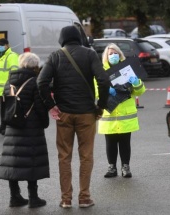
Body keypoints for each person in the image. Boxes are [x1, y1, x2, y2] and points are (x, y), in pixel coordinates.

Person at [37, 25, 109, 209]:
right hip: (86, 113)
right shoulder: (90, 54)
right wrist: (100, 106)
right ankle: (84, 197)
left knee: (64, 157)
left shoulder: (55, 56)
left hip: (64, 114)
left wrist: (51, 106)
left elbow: (41, 81)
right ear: (79, 38)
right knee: (86, 156)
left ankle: (65, 199)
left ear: (62, 39)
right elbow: (103, 80)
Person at [0, 52, 50, 208]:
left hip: (12, 127)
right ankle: (33, 198)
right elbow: (40, 106)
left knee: (12, 162)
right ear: (34, 66)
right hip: (31, 127)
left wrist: (4, 124)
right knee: (31, 162)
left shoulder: (9, 82)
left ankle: (15, 197)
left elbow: (3, 106)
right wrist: (44, 122)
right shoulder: (34, 82)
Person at [97, 43, 145, 178]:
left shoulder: (128, 69)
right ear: (106, 56)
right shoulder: (101, 72)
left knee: (125, 143)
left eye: (115, 53)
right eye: (110, 53)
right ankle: (111, 167)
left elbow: (140, 91)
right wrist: (105, 90)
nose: (113, 56)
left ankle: (125, 167)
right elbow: (95, 90)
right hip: (110, 113)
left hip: (125, 114)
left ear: (120, 54)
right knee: (110, 142)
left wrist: (136, 82)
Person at [0, 38, 19, 135]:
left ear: (7, 45)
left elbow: (14, 72)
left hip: (8, 87)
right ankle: (3, 125)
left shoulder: (12, 56)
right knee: (3, 108)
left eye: (2, 45)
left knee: (8, 108)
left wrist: (12, 86)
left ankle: (7, 127)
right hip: (1, 89)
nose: (0, 47)